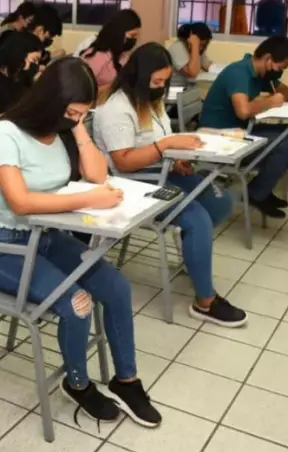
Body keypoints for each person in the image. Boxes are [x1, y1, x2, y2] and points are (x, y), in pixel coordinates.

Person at [0, 56, 162, 427]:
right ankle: (77, 383)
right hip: (6, 247)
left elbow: (97, 176)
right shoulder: (5, 131)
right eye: (73, 112)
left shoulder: (61, 128)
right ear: (50, 100)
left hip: (48, 237)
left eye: (81, 113)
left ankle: (126, 380)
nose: (74, 118)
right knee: (77, 304)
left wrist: (79, 130)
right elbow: (21, 202)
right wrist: (87, 200)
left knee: (116, 287)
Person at [93, 43, 246, 326]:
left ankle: (193, 252)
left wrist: (175, 159)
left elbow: (159, 144)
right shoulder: (116, 107)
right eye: (157, 81)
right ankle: (205, 302)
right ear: (140, 76)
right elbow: (125, 162)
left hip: (159, 172)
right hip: (133, 183)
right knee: (197, 220)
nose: (161, 88)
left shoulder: (150, 101)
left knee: (220, 202)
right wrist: (165, 147)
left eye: (164, 81)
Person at [199, 36, 288, 219]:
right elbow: (243, 111)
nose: (279, 72)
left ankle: (263, 188)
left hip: (240, 130)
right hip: (220, 135)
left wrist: (275, 98)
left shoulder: (261, 73)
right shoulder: (239, 72)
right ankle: (257, 194)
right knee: (286, 143)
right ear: (268, 59)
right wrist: (269, 102)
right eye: (280, 67)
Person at [81, 9, 142, 98]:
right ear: (118, 33)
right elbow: (82, 90)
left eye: (136, 36)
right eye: (132, 35)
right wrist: (115, 86)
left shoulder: (124, 55)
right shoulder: (97, 56)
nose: (134, 40)